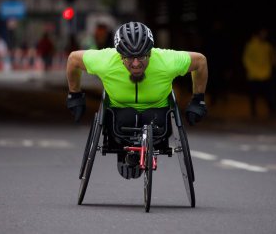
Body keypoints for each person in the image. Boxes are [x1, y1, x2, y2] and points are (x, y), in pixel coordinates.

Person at [66, 21, 208, 179]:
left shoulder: (167, 61)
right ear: (119, 55)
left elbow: (200, 62)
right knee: (128, 115)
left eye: (141, 56)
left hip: (158, 116)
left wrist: (198, 99)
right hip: (119, 117)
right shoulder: (106, 60)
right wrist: (75, 95)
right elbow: (73, 60)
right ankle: (126, 155)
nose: (135, 64)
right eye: (129, 58)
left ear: (150, 52)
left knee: (150, 119)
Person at [242, 27, 276, 118]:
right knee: (253, 95)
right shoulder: (251, 44)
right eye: (262, 33)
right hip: (254, 74)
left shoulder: (267, 45)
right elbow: (246, 58)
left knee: (268, 94)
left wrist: (272, 64)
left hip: (266, 73)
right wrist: (251, 69)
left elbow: (272, 57)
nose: (264, 35)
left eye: (265, 34)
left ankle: (272, 109)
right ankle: (253, 111)